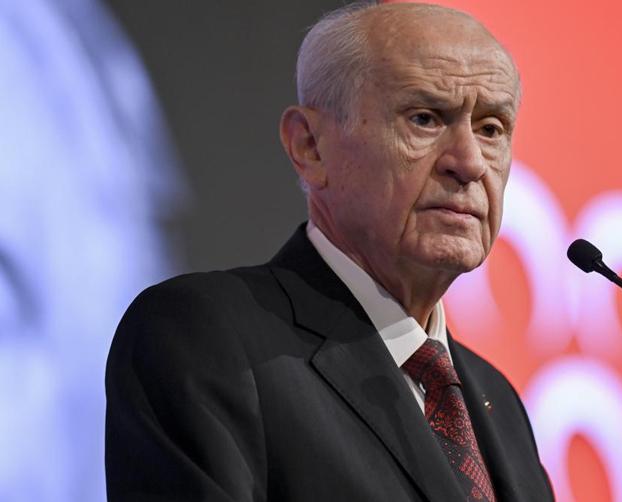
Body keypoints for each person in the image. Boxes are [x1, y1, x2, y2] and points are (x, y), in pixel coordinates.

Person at [105, 2, 554, 501]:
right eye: (425, 119)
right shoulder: (205, 338)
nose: (469, 163)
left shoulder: (498, 401)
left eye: (491, 129)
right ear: (310, 146)